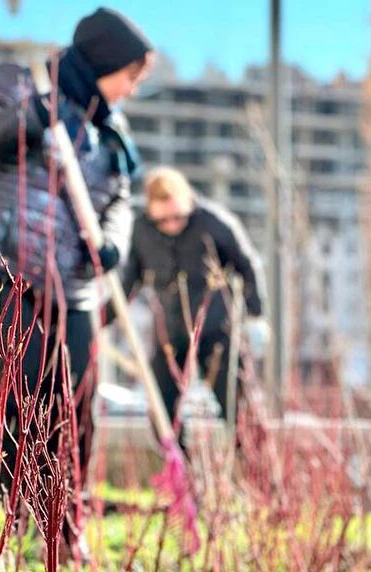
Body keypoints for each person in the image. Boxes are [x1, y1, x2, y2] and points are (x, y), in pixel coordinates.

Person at [0, 7, 154, 555]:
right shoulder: (19, 83)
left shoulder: (111, 129)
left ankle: (64, 520)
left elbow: (123, 199)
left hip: (74, 275)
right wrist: (30, 118)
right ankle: (18, 522)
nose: (132, 89)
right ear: (105, 61)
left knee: (78, 391)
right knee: (21, 389)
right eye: (130, 75)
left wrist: (113, 242)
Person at [110, 166, 269, 445]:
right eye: (163, 221)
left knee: (237, 403)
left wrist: (256, 314)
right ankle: (181, 473)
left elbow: (247, 264)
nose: (171, 225)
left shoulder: (214, 222)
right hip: (169, 332)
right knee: (161, 406)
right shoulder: (140, 230)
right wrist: (103, 319)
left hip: (216, 328)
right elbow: (128, 281)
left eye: (177, 218)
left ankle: (250, 470)